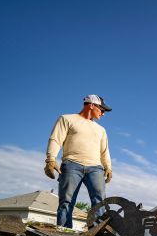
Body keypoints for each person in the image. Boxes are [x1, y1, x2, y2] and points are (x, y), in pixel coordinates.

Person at [44, 95, 113, 228]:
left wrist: (108, 167)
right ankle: (64, 232)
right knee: (66, 201)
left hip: (96, 168)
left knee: (100, 202)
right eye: (102, 109)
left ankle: (96, 233)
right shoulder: (67, 119)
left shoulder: (101, 130)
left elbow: (104, 151)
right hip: (71, 165)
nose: (103, 113)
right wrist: (50, 159)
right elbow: (55, 139)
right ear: (91, 105)